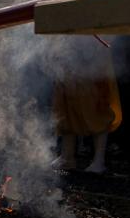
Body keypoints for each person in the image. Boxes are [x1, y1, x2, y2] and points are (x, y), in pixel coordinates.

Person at [49, 38, 122, 175]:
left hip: (91, 62)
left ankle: (98, 161)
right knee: (65, 111)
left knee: (97, 111)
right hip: (68, 62)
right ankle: (67, 156)